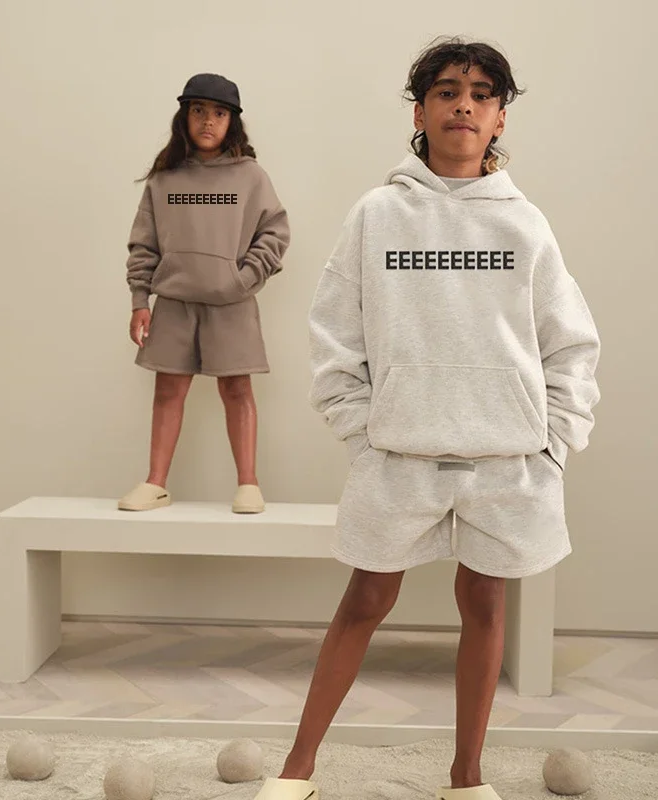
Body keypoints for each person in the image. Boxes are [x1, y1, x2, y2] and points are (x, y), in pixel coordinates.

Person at [253, 37, 601, 800]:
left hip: (506, 461)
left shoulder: (525, 226)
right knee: (364, 601)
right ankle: (298, 767)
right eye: (446, 92)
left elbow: (570, 342)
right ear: (420, 112)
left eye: (481, 95)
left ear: (500, 117)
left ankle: (465, 777)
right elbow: (334, 332)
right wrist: (361, 431)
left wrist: (554, 445)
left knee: (485, 605)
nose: (463, 106)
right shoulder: (377, 215)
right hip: (399, 456)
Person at [119, 73, 290, 515]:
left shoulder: (250, 177)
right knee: (167, 391)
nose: (208, 121)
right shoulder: (164, 179)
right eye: (198, 111)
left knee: (237, 390)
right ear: (184, 117)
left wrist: (243, 279)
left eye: (218, 113)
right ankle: (156, 483)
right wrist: (140, 300)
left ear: (232, 122)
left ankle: (248, 484)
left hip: (231, 303)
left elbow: (274, 232)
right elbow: (144, 243)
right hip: (174, 302)